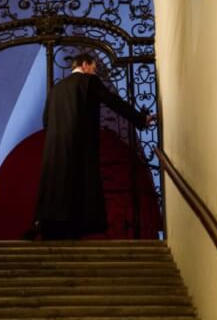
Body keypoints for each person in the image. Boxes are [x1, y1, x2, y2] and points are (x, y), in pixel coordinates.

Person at [33, 52, 155, 240]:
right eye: (93, 68)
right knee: (81, 184)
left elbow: (46, 120)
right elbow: (114, 102)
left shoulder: (56, 89)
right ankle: (77, 229)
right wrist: (140, 119)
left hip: (56, 149)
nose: (94, 72)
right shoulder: (89, 82)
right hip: (80, 145)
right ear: (84, 65)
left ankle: (52, 227)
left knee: (58, 186)